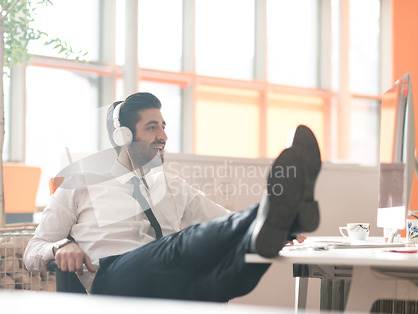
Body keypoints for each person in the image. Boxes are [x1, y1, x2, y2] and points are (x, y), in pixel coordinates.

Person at [24, 92, 321, 302]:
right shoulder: (80, 183)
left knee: (224, 276)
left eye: (163, 126)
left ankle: (276, 221)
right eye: (151, 127)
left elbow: (224, 223)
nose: (162, 135)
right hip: (112, 280)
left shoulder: (173, 186)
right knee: (179, 245)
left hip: (168, 280)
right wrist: (60, 247)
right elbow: (32, 251)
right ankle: (276, 210)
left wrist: (278, 230)